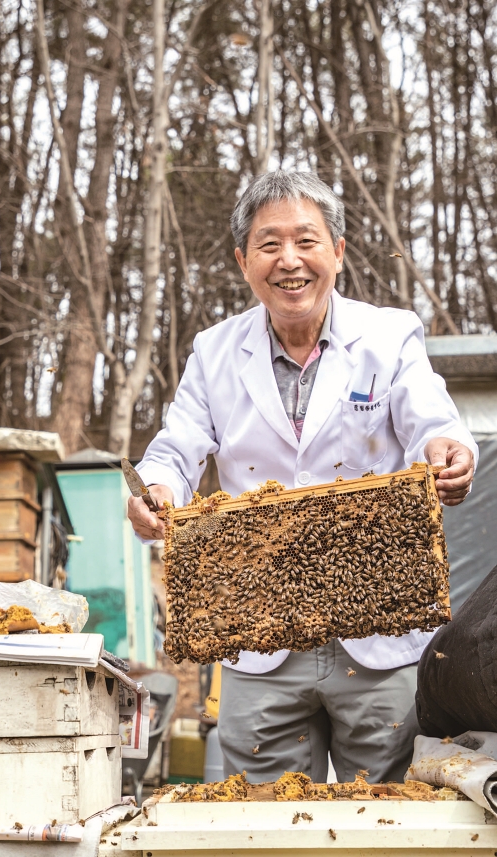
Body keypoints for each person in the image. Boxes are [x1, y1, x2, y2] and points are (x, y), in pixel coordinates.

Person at [127, 171, 476, 784]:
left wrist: (447, 450)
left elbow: (432, 421)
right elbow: (178, 447)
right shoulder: (213, 351)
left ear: (337, 251)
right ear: (243, 261)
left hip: (379, 633)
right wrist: (158, 490)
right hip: (260, 641)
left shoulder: (389, 335)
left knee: (393, 819)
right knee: (264, 828)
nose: (289, 261)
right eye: (268, 245)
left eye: (306, 241)